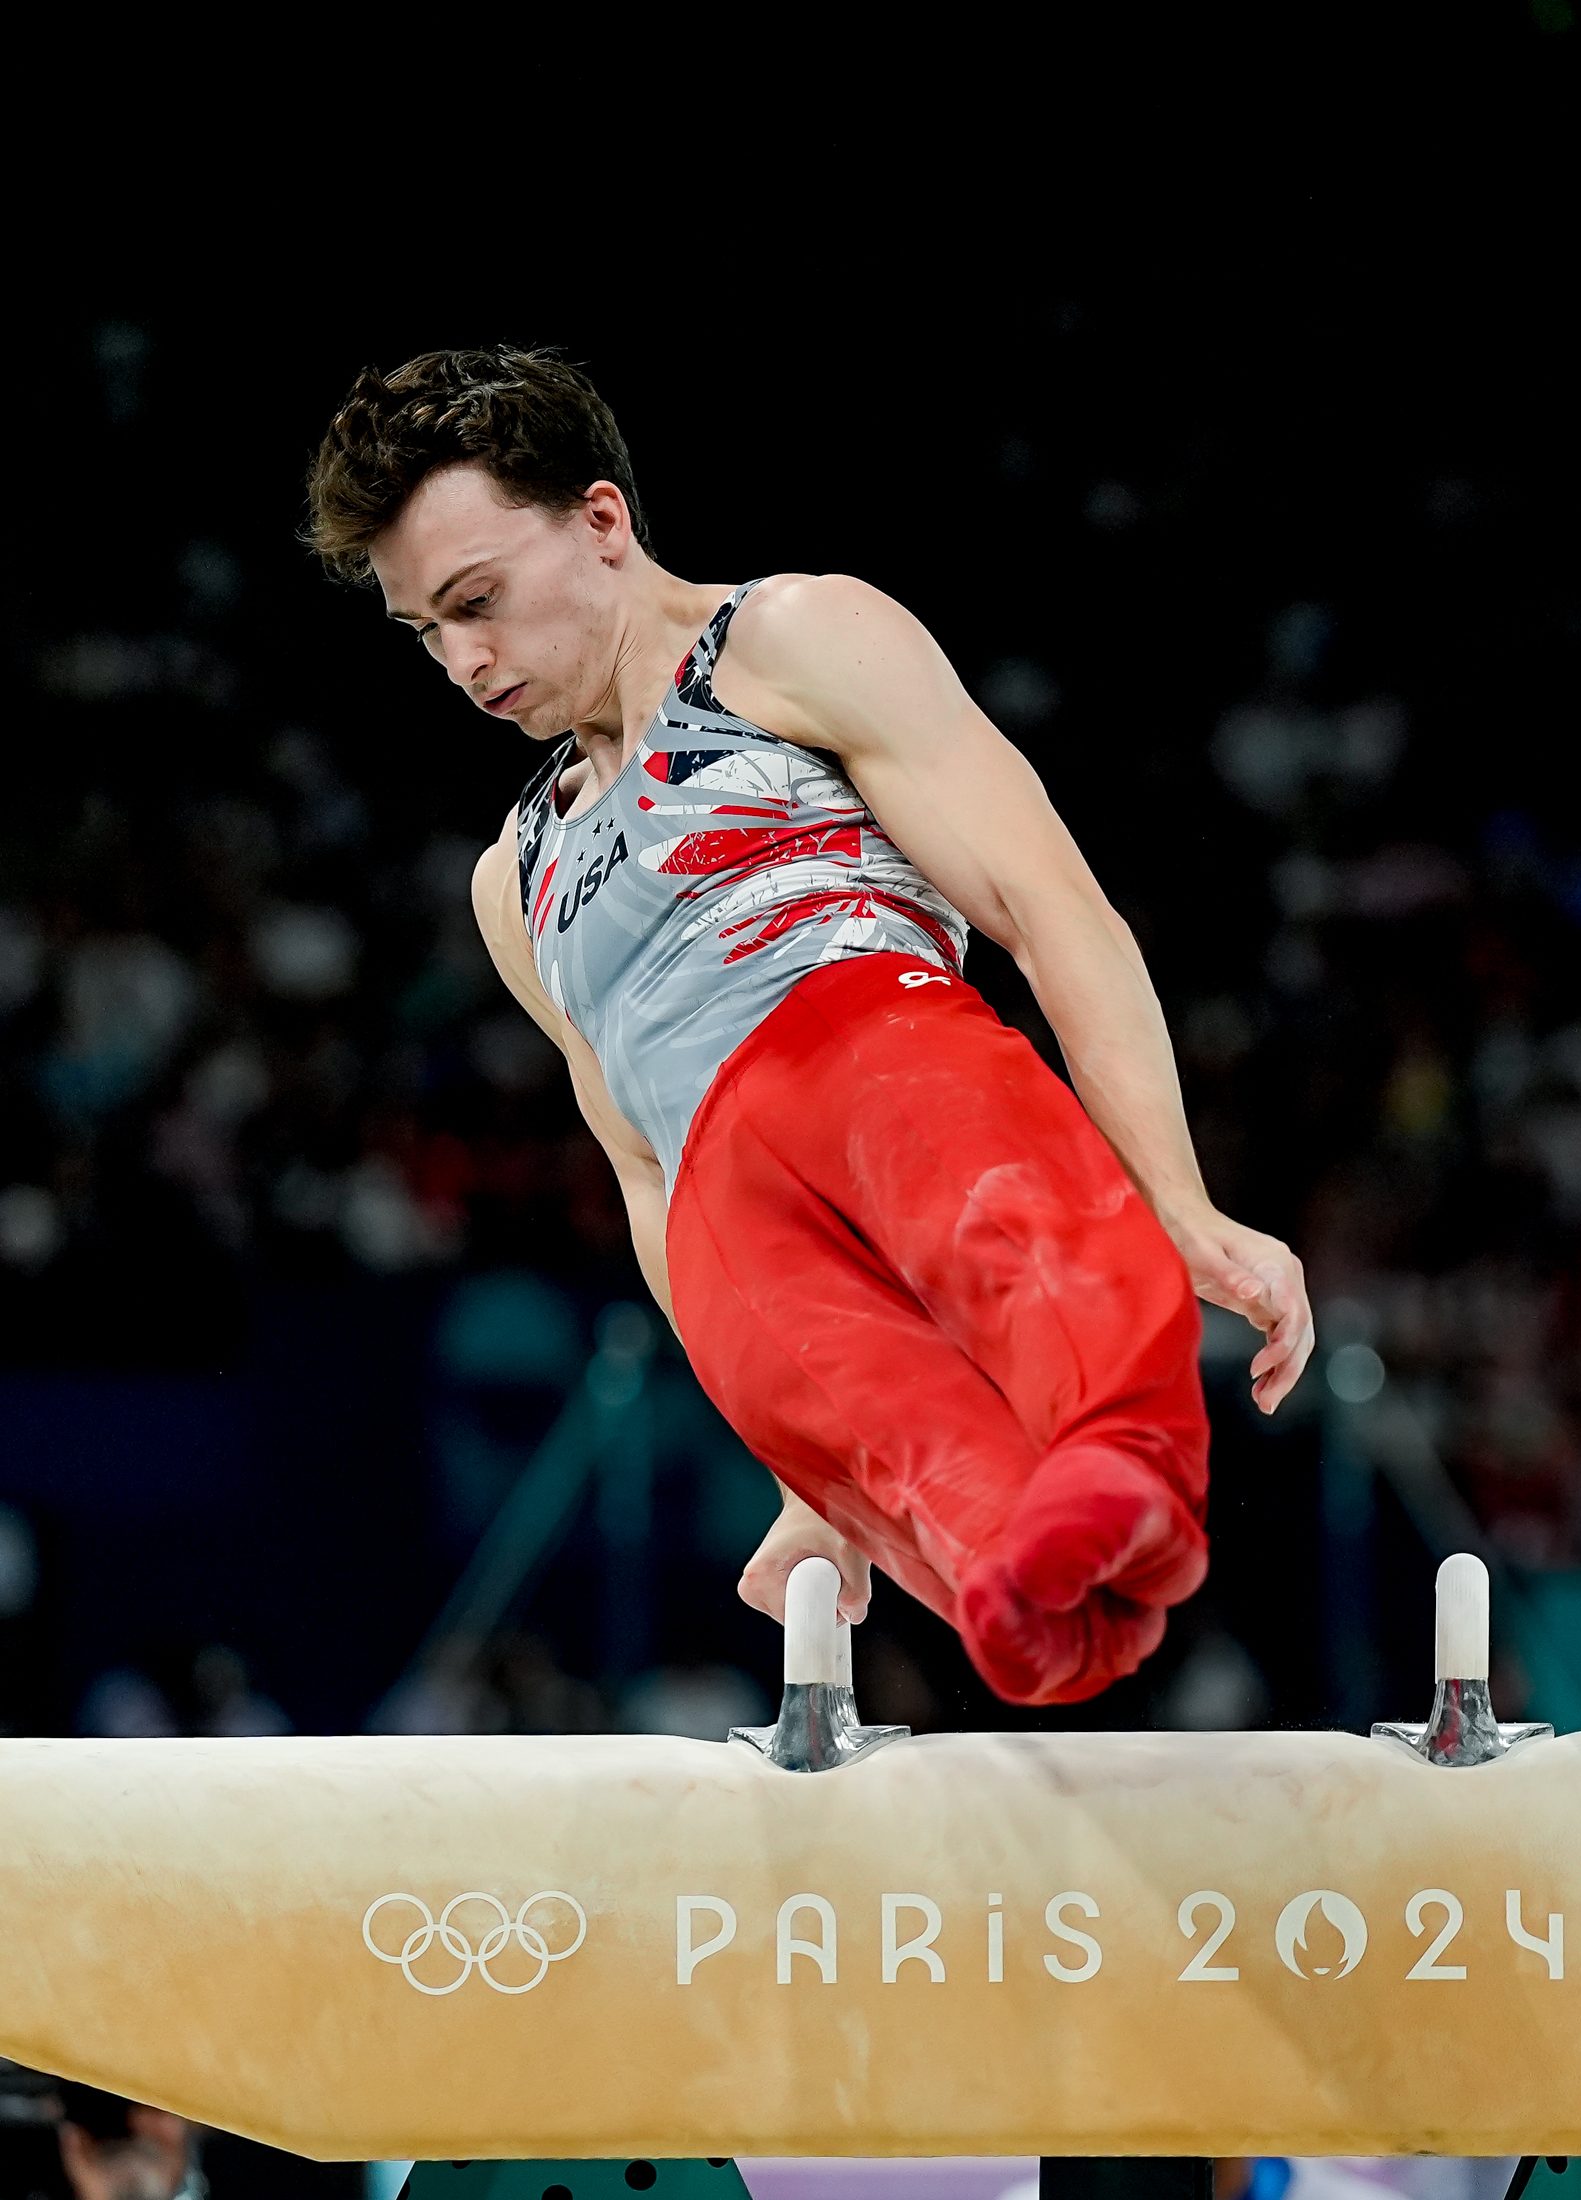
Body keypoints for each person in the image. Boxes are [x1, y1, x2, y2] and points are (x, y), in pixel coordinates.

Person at [304, 346, 1314, 1705]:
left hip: (865, 1043)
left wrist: (1178, 1206)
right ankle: (1029, 1586)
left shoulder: (786, 640)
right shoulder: (515, 879)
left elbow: (1050, 909)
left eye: (476, 600)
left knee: (1005, 1224)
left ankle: (1120, 1469)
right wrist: (797, 1479)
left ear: (602, 523)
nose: (463, 659)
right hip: (724, 1206)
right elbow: (647, 1177)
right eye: (426, 629)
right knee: (886, 1446)